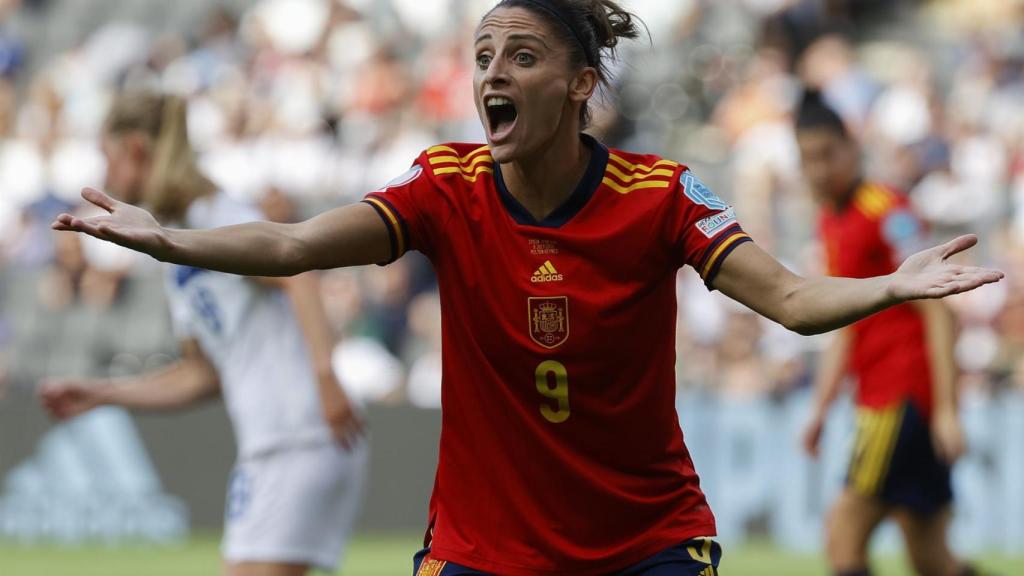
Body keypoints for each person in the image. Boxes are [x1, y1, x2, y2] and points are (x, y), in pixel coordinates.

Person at [52, 1, 1003, 574]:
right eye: (482, 57)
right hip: (483, 552)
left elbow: (791, 301)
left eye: (520, 55)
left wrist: (890, 286)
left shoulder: (662, 195)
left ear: (581, 84)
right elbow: (295, 244)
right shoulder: (445, 186)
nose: (491, 75)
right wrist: (169, 238)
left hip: (645, 544)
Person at [40, 92, 368, 576]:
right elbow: (202, 374)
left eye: (107, 157)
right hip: (271, 446)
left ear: (135, 150)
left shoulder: (217, 214)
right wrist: (102, 394)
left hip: (302, 433)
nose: (104, 173)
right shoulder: (178, 244)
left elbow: (297, 275)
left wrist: (325, 376)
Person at [797, 90, 977, 576]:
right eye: (808, 159)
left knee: (842, 535)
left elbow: (939, 309)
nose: (818, 170)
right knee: (931, 556)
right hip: (889, 398)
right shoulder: (830, 219)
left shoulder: (886, 209)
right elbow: (846, 326)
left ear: (851, 148)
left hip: (899, 398)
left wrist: (947, 409)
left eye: (827, 155)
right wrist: (820, 408)